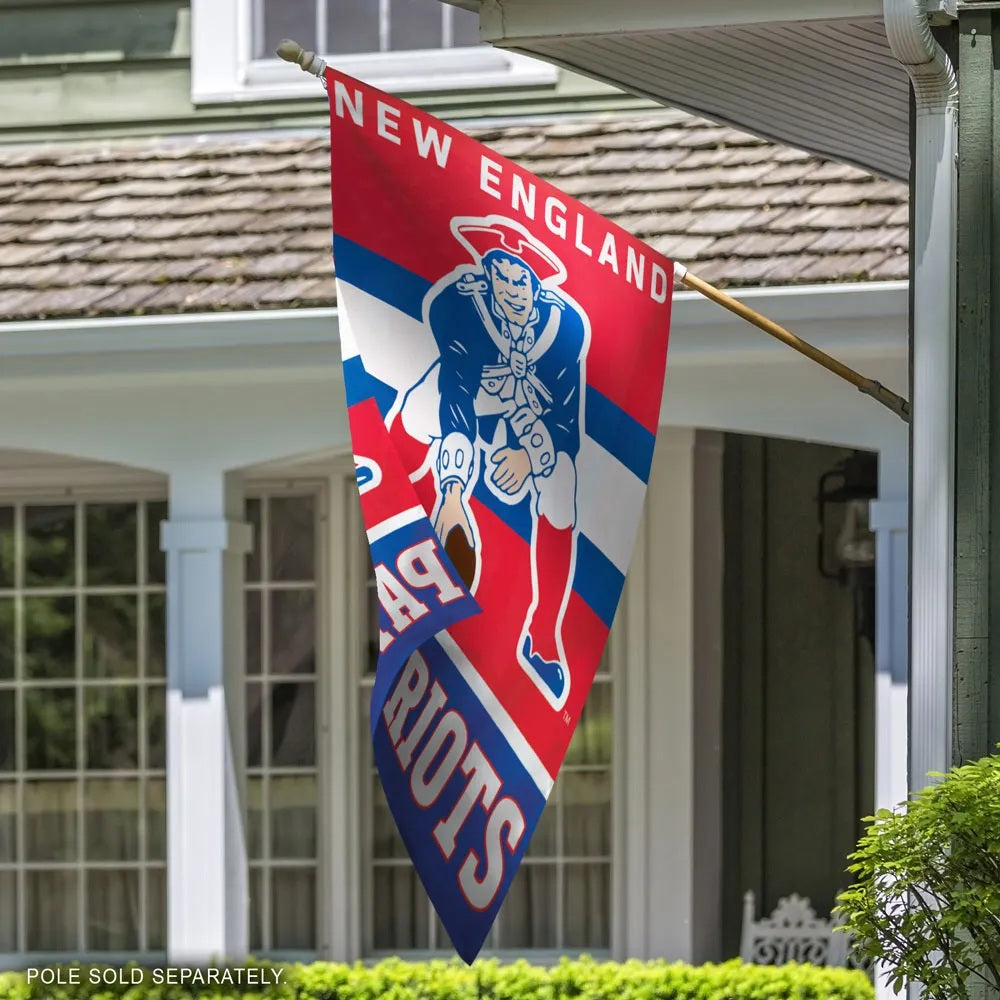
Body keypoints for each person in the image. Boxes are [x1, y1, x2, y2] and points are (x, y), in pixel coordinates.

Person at [387, 217, 588, 710]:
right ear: (488, 274)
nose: (513, 288)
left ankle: (543, 637)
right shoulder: (461, 307)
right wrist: (452, 492)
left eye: (522, 279)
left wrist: (527, 455)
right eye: (503, 275)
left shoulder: (566, 327)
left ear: (538, 285)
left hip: (530, 416)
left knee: (563, 480)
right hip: (473, 397)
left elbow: (566, 424)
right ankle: (402, 514)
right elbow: (455, 392)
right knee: (407, 422)